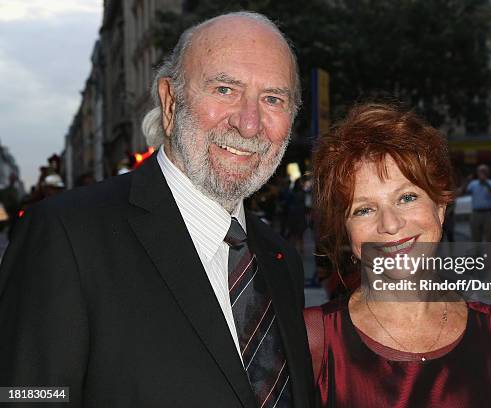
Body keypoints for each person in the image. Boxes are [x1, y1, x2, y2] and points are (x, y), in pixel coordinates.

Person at [0, 12, 314, 407]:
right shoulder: (66, 236)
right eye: (224, 89)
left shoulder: (276, 258)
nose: (249, 124)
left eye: (273, 98)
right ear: (169, 101)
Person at [305, 103, 491, 407]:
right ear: (346, 230)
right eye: (364, 209)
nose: (390, 224)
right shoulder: (313, 340)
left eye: (407, 197)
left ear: (440, 206)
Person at [464, 164, 491, 242]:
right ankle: (477, 253)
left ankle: (489, 253)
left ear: (487, 173)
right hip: (476, 213)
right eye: (480, 171)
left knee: (489, 237)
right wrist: (467, 181)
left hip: (488, 213)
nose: (482, 173)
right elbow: (464, 192)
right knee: (475, 237)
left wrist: (486, 183)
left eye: (484, 171)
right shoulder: (473, 183)